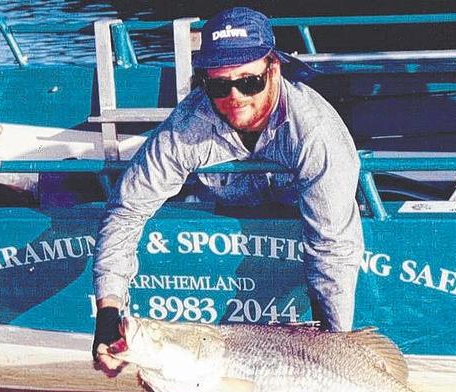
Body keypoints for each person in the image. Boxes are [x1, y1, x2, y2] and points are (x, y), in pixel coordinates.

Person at [92, 7, 364, 370]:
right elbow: (127, 210)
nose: (235, 96)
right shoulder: (188, 126)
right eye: (219, 85)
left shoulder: (316, 133)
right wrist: (108, 312)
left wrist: (335, 347)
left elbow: (332, 247)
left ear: (274, 69)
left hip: (317, 223)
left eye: (249, 82)